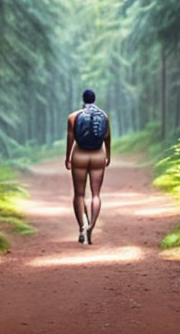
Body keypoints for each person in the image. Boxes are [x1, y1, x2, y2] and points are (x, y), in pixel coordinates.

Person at [65, 89, 110, 244]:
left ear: (83, 99)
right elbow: (107, 138)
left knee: (79, 195)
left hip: (79, 155)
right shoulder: (104, 116)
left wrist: (67, 158)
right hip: (98, 155)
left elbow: (70, 139)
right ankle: (92, 225)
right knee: (96, 194)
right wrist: (108, 156)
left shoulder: (73, 117)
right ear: (94, 99)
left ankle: (82, 229)